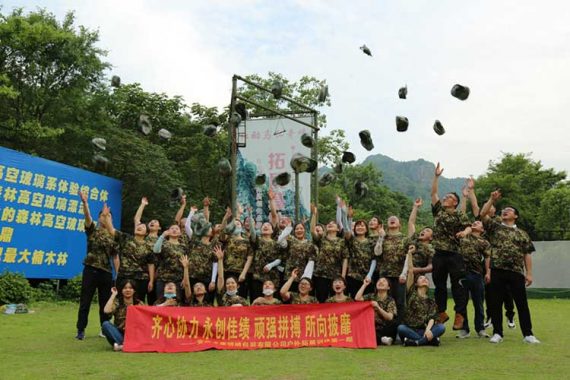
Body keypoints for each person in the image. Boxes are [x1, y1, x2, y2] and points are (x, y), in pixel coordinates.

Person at [480, 191, 540, 344]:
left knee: (522, 304)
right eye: (503, 210)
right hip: (497, 270)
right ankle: (498, 333)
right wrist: (491, 199)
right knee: (495, 303)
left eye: (509, 210)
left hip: (516, 272)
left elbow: (527, 254)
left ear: (516, 216)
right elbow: (482, 214)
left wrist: (530, 274)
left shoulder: (522, 234)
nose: (505, 211)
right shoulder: (495, 227)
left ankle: (528, 334)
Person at [75, 192, 121, 341]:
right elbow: (87, 218)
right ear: (99, 217)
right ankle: (81, 329)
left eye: (108, 216)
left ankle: (104, 328)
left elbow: (115, 256)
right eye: (102, 216)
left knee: (105, 303)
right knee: (85, 301)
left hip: (106, 273)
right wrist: (85, 203)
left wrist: (118, 274)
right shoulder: (93, 230)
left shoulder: (113, 236)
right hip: (90, 269)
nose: (104, 218)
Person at [430, 162, 470, 329]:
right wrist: (436, 177)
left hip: (454, 254)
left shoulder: (459, 215)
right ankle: (441, 312)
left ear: (455, 203)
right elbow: (433, 193)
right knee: (439, 285)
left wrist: (464, 233)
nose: (445, 198)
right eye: (445, 197)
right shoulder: (438, 211)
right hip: (439, 253)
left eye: (449, 198)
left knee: (458, 285)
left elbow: (468, 226)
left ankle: (459, 314)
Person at [398, 246, 446, 346]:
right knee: (401, 328)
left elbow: (432, 318)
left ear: (428, 284)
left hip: (423, 330)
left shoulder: (431, 300)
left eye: (426, 279)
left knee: (441, 327)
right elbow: (410, 271)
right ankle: (430, 340)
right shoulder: (411, 292)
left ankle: (417, 342)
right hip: (410, 329)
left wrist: (428, 330)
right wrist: (410, 254)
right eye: (421, 278)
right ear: (416, 283)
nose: (424, 279)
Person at [454, 220, 491, 339]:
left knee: (478, 303)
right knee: (461, 303)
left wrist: (488, 272)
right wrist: (466, 230)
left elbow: (487, 257)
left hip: (477, 274)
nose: (475, 223)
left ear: (482, 230)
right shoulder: (462, 236)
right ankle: (464, 329)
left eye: (479, 223)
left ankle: (480, 329)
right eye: (474, 222)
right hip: (462, 275)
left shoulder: (484, 242)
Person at [115, 199, 155, 304]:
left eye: (142, 227)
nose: (139, 227)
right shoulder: (127, 239)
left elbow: (151, 264)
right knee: (121, 303)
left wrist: (151, 280)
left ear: (146, 233)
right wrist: (142, 204)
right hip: (124, 275)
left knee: (138, 303)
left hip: (141, 278)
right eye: (138, 226)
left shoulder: (149, 246)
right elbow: (136, 219)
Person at [311, 203, 348, 303]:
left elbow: (345, 258)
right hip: (320, 274)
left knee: (334, 301)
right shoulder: (322, 239)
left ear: (338, 229)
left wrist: (343, 276)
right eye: (329, 223)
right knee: (321, 299)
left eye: (333, 223)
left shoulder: (341, 241)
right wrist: (314, 214)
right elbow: (312, 231)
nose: (330, 224)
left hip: (335, 275)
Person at [375, 214, 406, 322]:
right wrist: (381, 237)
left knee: (400, 301)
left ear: (400, 224)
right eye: (390, 219)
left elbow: (408, 257)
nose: (392, 219)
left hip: (399, 275)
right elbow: (377, 253)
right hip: (385, 275)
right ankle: (384, 327)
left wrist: (404, 273)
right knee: (384, 301)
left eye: (395, 219)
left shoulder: (404, 238)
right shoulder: (384, 236)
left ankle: (398, 327)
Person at [220, 207, 254, 299]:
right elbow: (223, 230)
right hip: (227, 271)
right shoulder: (227, 239)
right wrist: (226, 217)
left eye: (238, 224)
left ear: (242, 226)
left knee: (240, 297)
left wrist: (243, 273)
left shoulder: (246, 241)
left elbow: (250, 257)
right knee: (226, 298)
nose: (237, 225)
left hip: (240, 273)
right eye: (234, 224)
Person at [250, 219, 288, 301]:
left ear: (272, 231)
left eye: (268, 225)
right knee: (257, 301)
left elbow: (280, 258)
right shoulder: (258, 240)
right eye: (263, 225)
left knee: (273, 302)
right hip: (258, 277)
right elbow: (252, 234)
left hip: (273, 278)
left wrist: (271, 265)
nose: (265, 226)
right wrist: (250, 218)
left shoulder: (276, 243)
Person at [101, 280, 142, 351]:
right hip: (119, 334)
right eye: (125, 288)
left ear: (134, 290)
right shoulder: (118, 302)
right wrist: (113, 295)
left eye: (130, 288)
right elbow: (106, 310)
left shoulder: (139, 303)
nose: (128, 290)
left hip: (134, 334)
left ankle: (122, 346)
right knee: (105, 324)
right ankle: (126, 345)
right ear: (122, 290)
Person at [355, 277, 397, 345]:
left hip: (384, 327)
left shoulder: (390, 300)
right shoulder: (371, 296)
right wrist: (365, 285)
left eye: (384, 281)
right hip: (371, 326)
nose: (381, 282)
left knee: (394, 324)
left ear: (388, 287)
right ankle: (382, 339)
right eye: (379, 281)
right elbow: (357, 298)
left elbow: (390, 317)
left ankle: (380, 338)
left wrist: (378, 308)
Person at [134, 197, 161, 305]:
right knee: (137, 301)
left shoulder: (162, 241)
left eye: (156, 222)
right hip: (141, 275)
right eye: (151, 221)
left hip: (156, 276)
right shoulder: (142, 237)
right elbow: (137, 220)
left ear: (159, 228)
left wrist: (155, 276)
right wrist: (143, 205)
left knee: (153, 303)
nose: (153, 222)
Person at [281, 220, 316, 293]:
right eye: (297, 229)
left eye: (301, 228)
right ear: (294, 231)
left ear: (305, 230)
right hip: (288, 275)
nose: (299, 230)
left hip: (302, 277)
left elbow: (311, 262)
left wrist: (306, 278)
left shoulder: (309, 244)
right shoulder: (290, 240)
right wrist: (288, 228)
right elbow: (281, 240)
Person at [153, 224, 187, 299]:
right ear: (168, 231)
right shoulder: (164, 243)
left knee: (177, 302)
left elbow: (186, 263)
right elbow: (156, 250)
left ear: (180, 233)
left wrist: (185, 278)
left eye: (177, 229)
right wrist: (162, 236)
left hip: (178, 279)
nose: (174, 230)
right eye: (172, 228)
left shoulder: (183, 246)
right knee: (161, 301)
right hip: (163, 278)